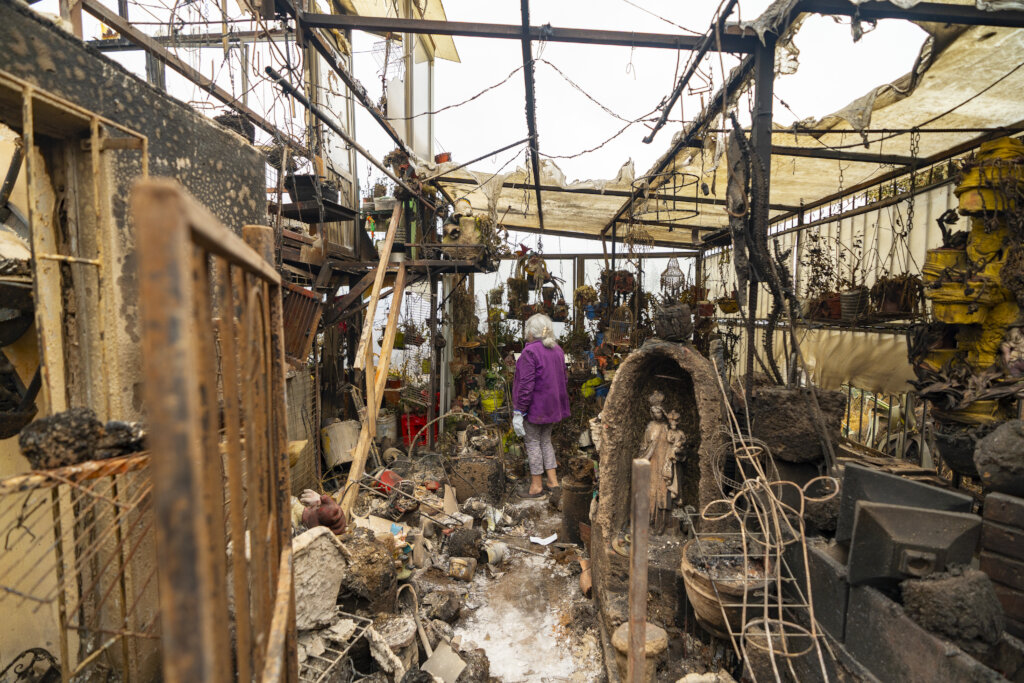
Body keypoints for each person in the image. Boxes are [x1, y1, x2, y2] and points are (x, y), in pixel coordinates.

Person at [512, 313, 571, 497]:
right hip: (552, 408)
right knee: (546, 441)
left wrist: (519, 411)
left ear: (531, 331)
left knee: (533, 443)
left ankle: (536, 486)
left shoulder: (530, 352)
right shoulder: (557, 350)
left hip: (535, 409)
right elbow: (564, 378)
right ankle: (553, 483)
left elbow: (526, 386)